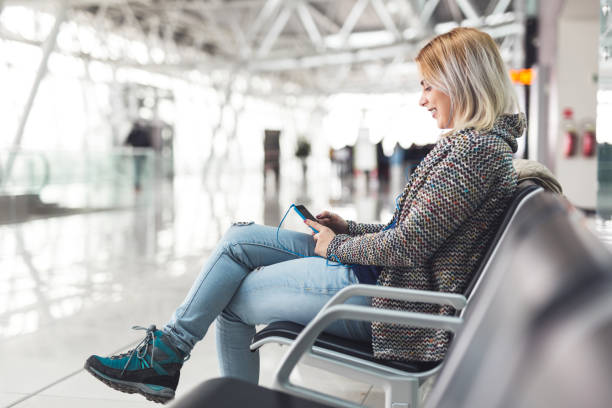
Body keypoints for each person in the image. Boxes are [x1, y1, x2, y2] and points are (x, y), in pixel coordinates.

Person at [84, 27, 524, 404]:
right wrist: (347, 229)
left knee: (230, 300)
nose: (422, 98)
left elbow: (410, 245)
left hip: (391, 299)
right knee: (238, 239)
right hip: (389, 279)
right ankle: (168, 352)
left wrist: (340, 247)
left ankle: (171, 360)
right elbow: (412, 233)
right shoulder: (475, 146)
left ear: (462, 81)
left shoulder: (475, 152)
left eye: (429, 85)